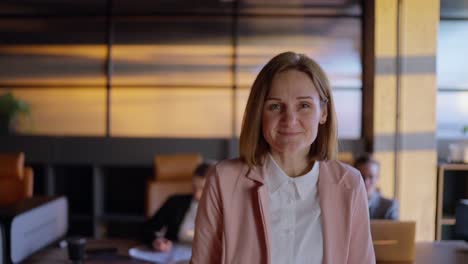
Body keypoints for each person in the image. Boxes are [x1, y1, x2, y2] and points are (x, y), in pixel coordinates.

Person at [191, 52, 375, 264]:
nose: (290, 119)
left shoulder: (350, 184)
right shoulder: (223, 180)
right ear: (259, 114)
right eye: (275, 106)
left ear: (323, 112)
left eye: (304, 105)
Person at [142, 161, 215, 251]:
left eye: (203, 188)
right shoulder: (175, 202)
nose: (197, 194)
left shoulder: (229, 211)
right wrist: (156, 241)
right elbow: (147, 228)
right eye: (194, 187)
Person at [354, 154, 399, 220]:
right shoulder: (346, 205)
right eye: (362, 177)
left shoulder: (389, 206)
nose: (366, 182)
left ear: (377, 178)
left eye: (371, 177)